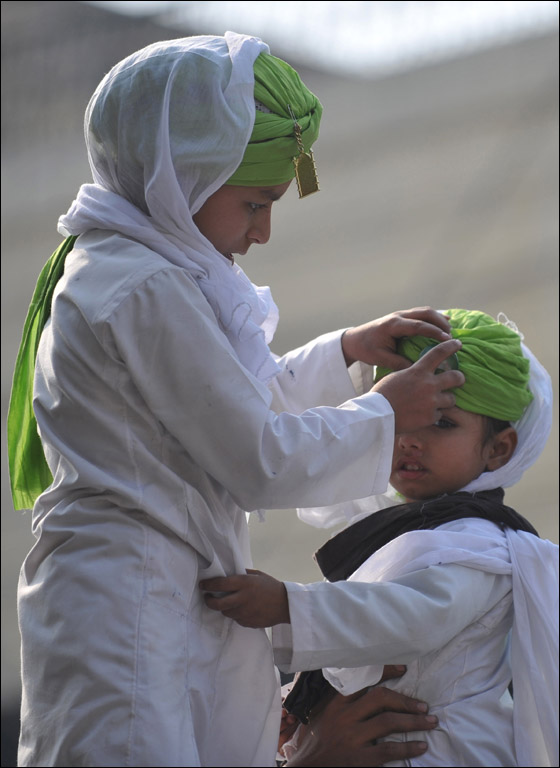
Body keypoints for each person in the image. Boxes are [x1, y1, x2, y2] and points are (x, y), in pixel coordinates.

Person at [8, 33, 465, 767]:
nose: (263, 230)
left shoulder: (159, 273)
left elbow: (227, 411)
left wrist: (345, 352)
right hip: (124, 601)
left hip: (178, 589)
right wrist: (388, 411)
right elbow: (253, 455)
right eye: (255, 202)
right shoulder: (140, 284)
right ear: (179, 176)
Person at [201, 309, 559, 767]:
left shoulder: (479, 541)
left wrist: (287, 606)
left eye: (442, 423)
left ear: (498, 449)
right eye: (404, 415)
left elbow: (412, 618)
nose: (410, 439)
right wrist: (305, 701)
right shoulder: (398, 528)